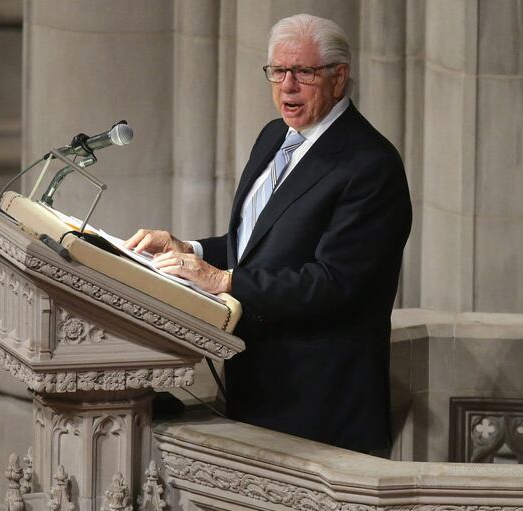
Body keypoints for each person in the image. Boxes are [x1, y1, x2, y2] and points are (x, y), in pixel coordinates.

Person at [126, 13, 411, 454]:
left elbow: (334, 284)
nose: (287, 85)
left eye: (303, 72)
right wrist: (192, 250)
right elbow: (257, 246)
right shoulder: (274, 136)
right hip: (253, 388)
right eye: (277, 71)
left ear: (339, 79)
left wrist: (223, 281)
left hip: (317, 409)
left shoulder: (370, 165)